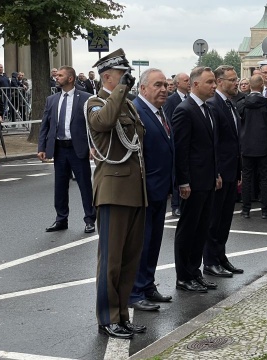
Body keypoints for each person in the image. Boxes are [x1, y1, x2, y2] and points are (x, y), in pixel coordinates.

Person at [86, 49, 147, 339]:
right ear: (108, 77)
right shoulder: (95, 103)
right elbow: (103, 124)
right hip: (112, 190)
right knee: (110, 261)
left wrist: (123, 93)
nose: (128, 81)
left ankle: (123, 314)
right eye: (122, 76)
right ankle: (107, 317)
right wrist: (120, 90)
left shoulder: (128, 106)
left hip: (135, 191)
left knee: (128, 260)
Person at [128, 68, 174, 312]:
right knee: (141, 244)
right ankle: (134, 293)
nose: (164, 89)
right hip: (144, 190)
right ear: (143, 88)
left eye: (165, 85)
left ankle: (147, 285)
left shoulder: (160, 111)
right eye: (158, 85)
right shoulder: (136, 111)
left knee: (154, 241)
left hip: (159, 189)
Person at [173, 67, 221, 293]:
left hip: (208, 180)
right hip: (192, 183)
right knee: (188, 230)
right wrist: (183, 181)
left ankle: (195, 272)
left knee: (201, 229)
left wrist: (216, 174)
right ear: (195, 85)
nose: (214, 85)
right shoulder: (185, 110)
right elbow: (181, 150)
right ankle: (183, 276)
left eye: (214, 82)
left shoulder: (207, 109)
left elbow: (211, 147)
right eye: (210, 82)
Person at [37, 66, 95, 233]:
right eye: (57, 75)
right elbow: (45, 125)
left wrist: (93, 146)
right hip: (59, 149)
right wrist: (42, 147)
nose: (56, 77)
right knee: (60, 186)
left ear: (70, 79)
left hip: (78, 148)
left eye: (60, 75)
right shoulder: (52, 99)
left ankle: (90, 219)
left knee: (85, 185)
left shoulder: (86, 98)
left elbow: (92, 125)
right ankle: (61, 219)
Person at [202, 65, 244, 278]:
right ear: (220, 82)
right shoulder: (213, 105)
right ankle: (210, 261)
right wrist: (217, 172)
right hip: (220, 173)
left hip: (231, 170)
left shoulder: (229, 103)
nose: (236, 82)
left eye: (236, 79)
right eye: (231, 79)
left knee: (226, 218)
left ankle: (220, 257)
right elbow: (214, 143)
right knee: (214, 219)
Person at [237, 74, 267, 218]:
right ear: (262, 85)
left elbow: (238, 123)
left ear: (250, 86)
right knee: (266, 178)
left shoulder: (242, 103)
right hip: (265, 146)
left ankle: (245, 209)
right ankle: (265, 209)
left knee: (247, 178)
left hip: (247, 146)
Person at [162, 72, 190, 217]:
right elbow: (167, 120)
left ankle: (184, 202)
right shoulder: (171, 100)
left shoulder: (190, 99)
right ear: (178, 83)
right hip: (176, 141)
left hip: (188, 142)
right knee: (176, 175)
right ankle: (175, 205)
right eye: (186, 80)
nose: (189, 82)